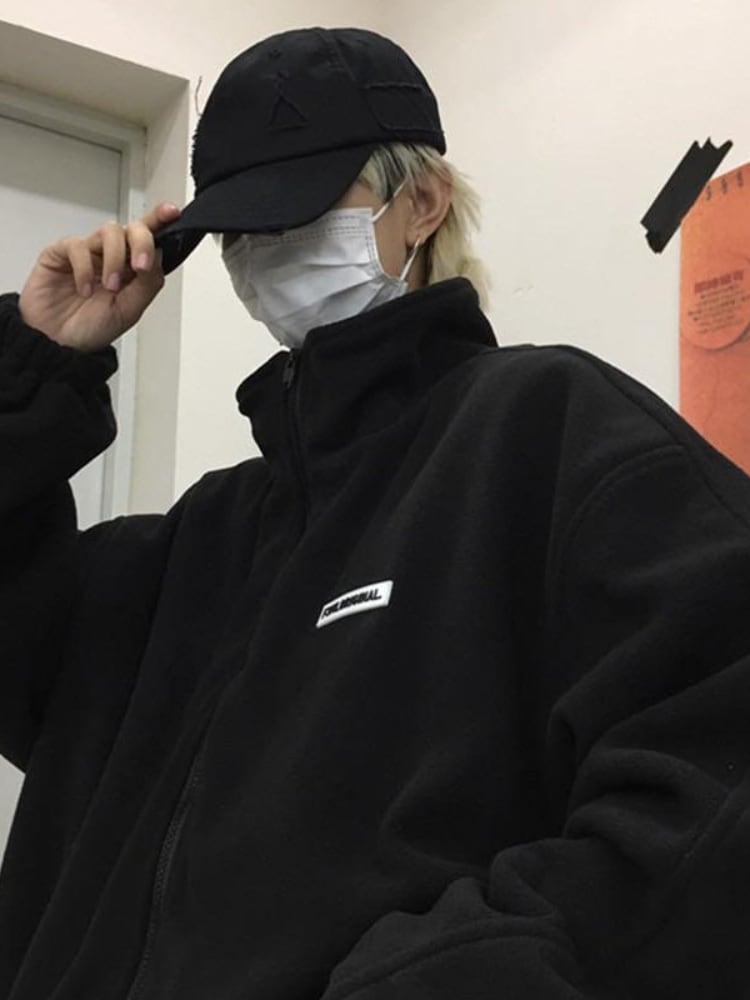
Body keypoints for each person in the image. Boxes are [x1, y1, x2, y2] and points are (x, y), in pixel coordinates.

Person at [1, 24, 750, 1000]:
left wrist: (465, 971)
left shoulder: (543, 432)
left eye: (296, 211)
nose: (263, 252)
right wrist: (33, 363)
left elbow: (713, 768)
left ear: (422, 203)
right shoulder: (200, 541)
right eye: (237, 231)